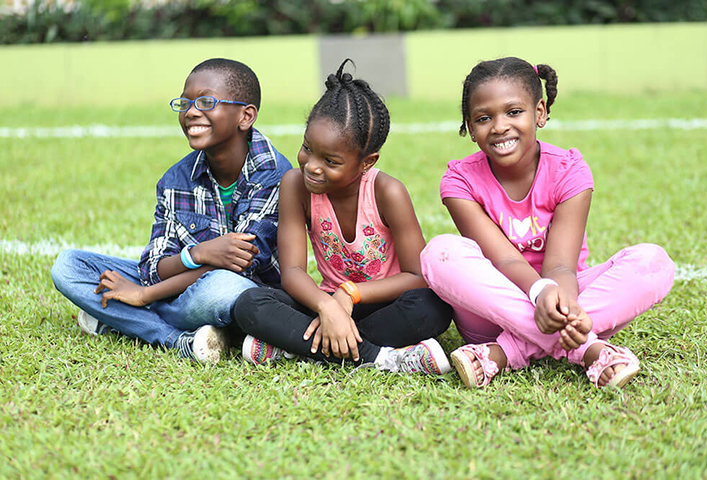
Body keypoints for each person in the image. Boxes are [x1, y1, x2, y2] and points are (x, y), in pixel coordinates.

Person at [421, 57, 674, 388]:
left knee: (655, 263)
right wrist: (540, 292)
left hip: (567, 301)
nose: (499, 126)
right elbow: (504, 257)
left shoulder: (570, 170)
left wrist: (560, 303)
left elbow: (561, 266)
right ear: (469, 126)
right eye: (484, 118)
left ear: (539, 112)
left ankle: (504, 353)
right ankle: (588, 349)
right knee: (439, 252)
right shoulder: (459, 180)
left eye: (514, 112)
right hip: (491, 310)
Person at [51, 58, 292, 364]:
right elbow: (153, 267)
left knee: (223, 288)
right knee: (69, 266)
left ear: (245, 116)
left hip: (244, 294)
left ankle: (128, 319)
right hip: (178, 287)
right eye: (185, 103)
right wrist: (200, 253)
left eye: (206, 102)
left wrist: (145, 296)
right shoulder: (175, 180)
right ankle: (180, 341)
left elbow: (240, 268)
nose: (191, 112)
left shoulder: (273, 173)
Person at [233, 60, 453, 375]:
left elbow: (417, 276)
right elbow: (293, 271)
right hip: (324, 304)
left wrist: (350, 295)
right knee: (250, 303)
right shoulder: (296, 185)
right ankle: (384, 359)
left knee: (432, 307)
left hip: (380, 304)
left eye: (331, 160)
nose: (311, 165)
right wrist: (327, 308)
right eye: (307, 148)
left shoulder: (387, 192)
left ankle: (295, 346)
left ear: (367, 162)